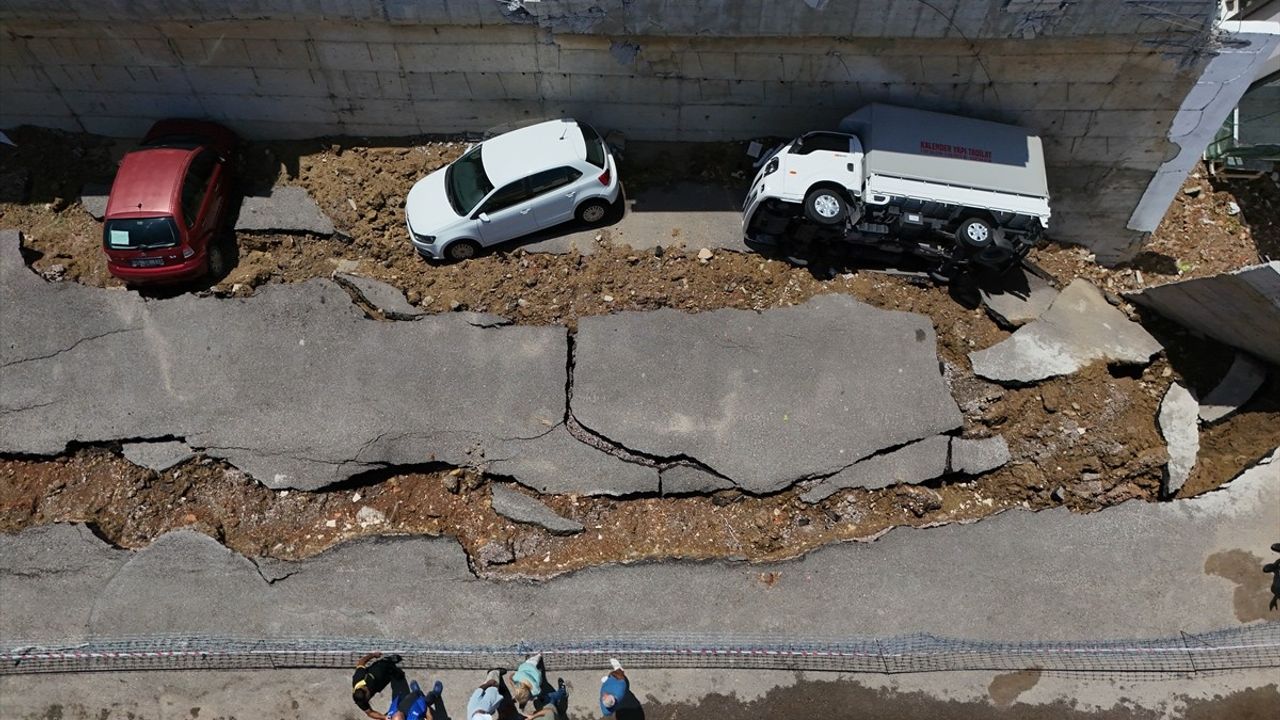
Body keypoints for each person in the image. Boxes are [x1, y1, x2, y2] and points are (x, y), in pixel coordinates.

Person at [352, 651, 409, 720]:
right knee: (401, 682)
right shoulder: (361, 700)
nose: (369, 699)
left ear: (365, 689)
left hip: (383, 666)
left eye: (368, 697)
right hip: (385, 679)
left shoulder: (359, 677)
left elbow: (361, 662)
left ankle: (389, 660)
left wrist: (373, 655)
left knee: (397, 658)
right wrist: (384, 717)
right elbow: (370, 713)